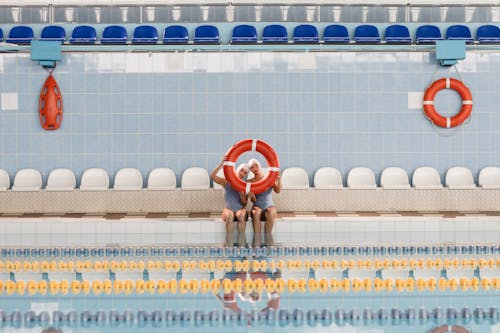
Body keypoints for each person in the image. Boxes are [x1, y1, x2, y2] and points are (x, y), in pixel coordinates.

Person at [211, 159, 249, 246]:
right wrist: (221, 164)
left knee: (241, 216)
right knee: (230, 216)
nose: (242, 173)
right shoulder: (226, 181)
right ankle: (229, 245)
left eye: (245, 173)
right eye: (242, 170)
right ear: (237, 170)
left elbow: (244, 204)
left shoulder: (245, 186)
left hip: (239, 209)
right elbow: (213, 176)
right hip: (228, 209)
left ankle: (241, 244)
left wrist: (242, 195)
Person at [246, 158, 281, 240]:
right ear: (250, 170)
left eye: (256, 166)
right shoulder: (250, 182)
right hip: (257, 207)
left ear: (259, 165)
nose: (255, 169)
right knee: (256, 212)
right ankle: (257, 240)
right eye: (252, 167)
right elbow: (253, 200)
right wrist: (252, 197)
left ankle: (268, 239)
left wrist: (279, 180)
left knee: (270, 211)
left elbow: (277, 191)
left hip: (270, 207)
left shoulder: (268, 178)